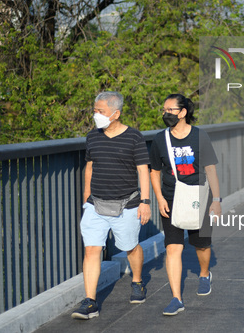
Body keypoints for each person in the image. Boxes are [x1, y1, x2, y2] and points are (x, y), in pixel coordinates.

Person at [71, 91, 152, 320]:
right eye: (95, 110)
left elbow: (143, 171)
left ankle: (137, 281)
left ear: (116, 114)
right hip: (95, 205)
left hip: (127, 205)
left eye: (101, 111)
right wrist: (87, 198)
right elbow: (89, 167)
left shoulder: (134, 137)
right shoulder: (92, 137)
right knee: (91, 250)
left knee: (130, 247)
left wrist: (145, 202)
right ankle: (90, 301)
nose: (96, 115)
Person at [149, 93, 222, 316]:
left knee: (201, 245)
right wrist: (159, 198)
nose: (165, 113)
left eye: (170, 110)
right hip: (171, 197)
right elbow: (154, 170)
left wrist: (217, 200)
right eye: (164, 109)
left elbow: (210, 168)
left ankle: (203, 273)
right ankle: (176, 299)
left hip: (199, 196)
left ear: (183, 113)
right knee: (173, 247)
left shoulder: (200, 136)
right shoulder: (160, 139)